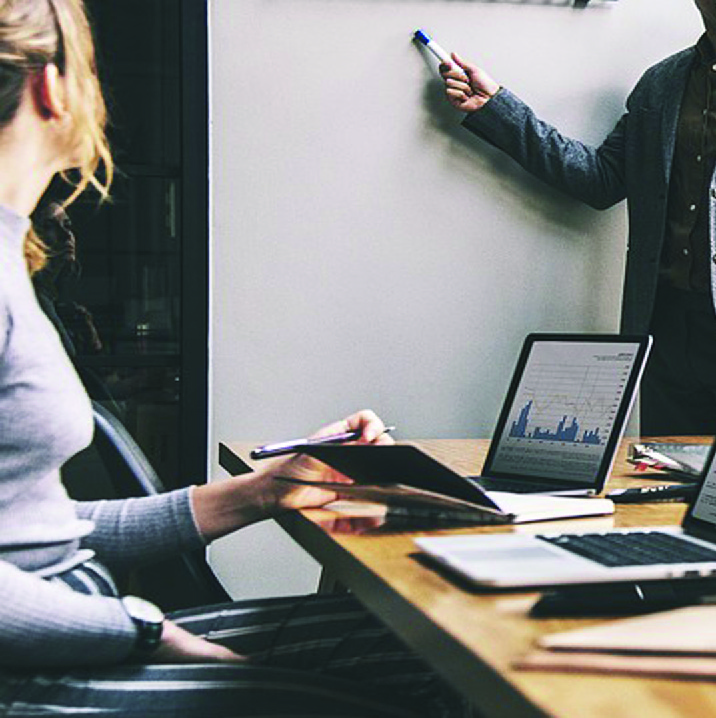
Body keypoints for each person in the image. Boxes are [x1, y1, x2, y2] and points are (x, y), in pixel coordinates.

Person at [0, 2, 464, 713]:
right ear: (52, 88)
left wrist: (262, 491)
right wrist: (145, 634)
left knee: (439, 640)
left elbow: (35, 539)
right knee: (440, 676)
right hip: (42, 677)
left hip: (79, 633)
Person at [439, 0, 716, 436]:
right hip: (663, 337)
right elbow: (600, 179)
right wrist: (498, 109)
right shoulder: (660, 83)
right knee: (665, 498)